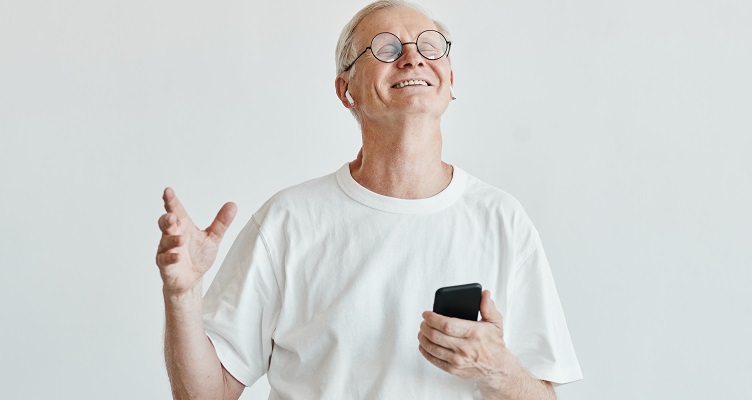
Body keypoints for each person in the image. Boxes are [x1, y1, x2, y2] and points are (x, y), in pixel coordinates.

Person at [155, 1, 582, 398]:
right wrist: (183, 296)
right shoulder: (287, 221)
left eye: (430, 46)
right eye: (386, 47)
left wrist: (499, 369)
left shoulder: (502, 220)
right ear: (346, 91)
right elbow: (206, 394)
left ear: (450, 80)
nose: (413, 57)